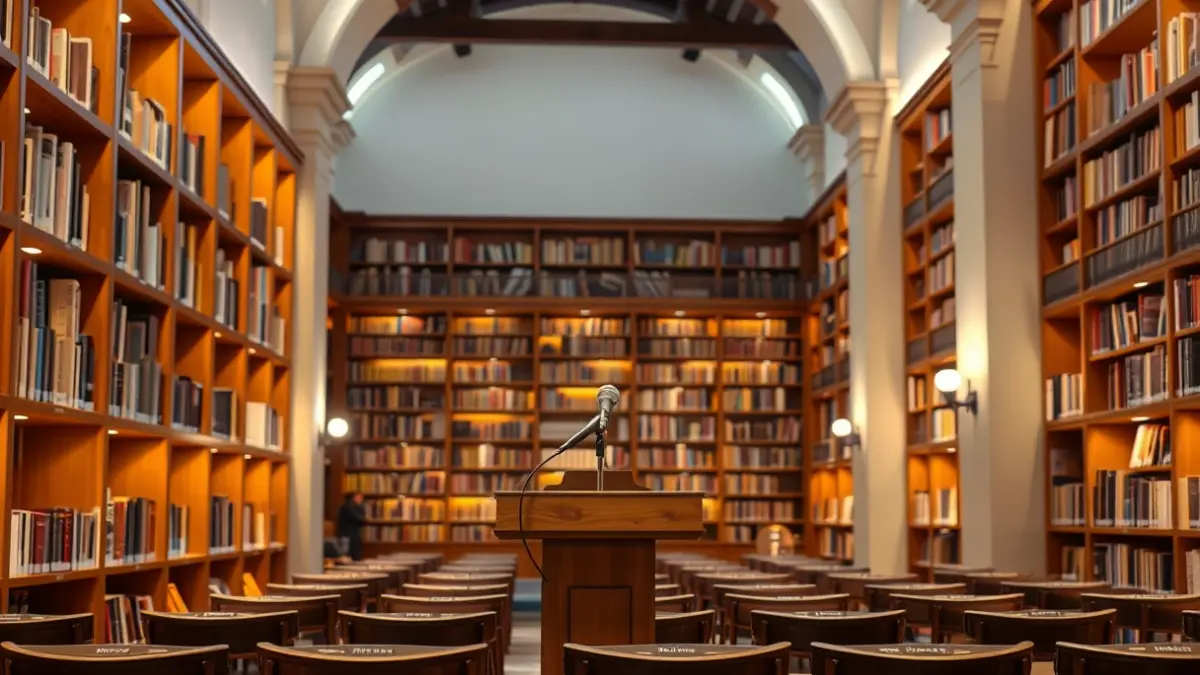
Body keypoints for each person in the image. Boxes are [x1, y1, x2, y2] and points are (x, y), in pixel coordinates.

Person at [336, 491, 367, 561]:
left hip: (347, 534)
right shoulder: (350, 506)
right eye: (360, 497)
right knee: (348, 556)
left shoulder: (347, 505)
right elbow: (359, 519)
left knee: (348, 555)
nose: (361, 500)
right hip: (349, 535)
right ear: (354, 497)